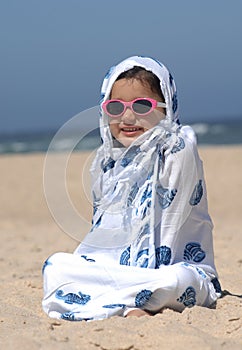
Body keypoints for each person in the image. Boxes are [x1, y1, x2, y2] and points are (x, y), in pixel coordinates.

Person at [42, 56, 221, 321]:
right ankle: (132, 302)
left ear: (166, 108)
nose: (127, 116)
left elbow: (169, 234)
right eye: (115, 107)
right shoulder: (106, 163)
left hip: (172, 270)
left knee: (176, 281)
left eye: (142, 106)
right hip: (119, 270)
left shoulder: (177, 149)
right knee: (55, 268)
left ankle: (119, 300)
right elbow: (101, 235)